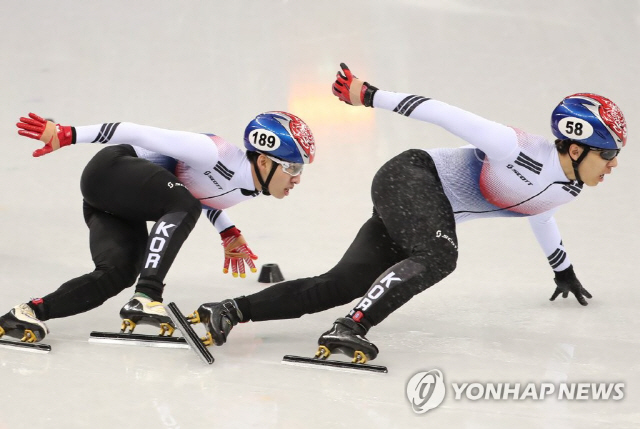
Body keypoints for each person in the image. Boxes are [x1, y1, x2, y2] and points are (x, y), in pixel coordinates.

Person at [188, 63, 627, 363]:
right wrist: (371, 95)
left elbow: (540, 212)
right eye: (608, 154)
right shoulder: (515, 147)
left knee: (339, 284)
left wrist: (562, 270)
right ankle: (351, 326)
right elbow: (444, 113)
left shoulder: (568, 188)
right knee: (440, 255)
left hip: (421, 212)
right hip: (411, 176)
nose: (613, 165)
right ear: (575, 146)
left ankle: (227, 310)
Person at [0, 111, 316, 344]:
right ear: (263, 161)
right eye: (293, 167)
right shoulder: (214, 151)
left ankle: (27, 312)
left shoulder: (248, 187)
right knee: (184, 205)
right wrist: (68, 134)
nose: (297, 178)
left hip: (115, 202)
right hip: (111, 170)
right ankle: (147, 295)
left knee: (118, 273)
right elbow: (133, 131)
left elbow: (204, 193)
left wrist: (227, 231)